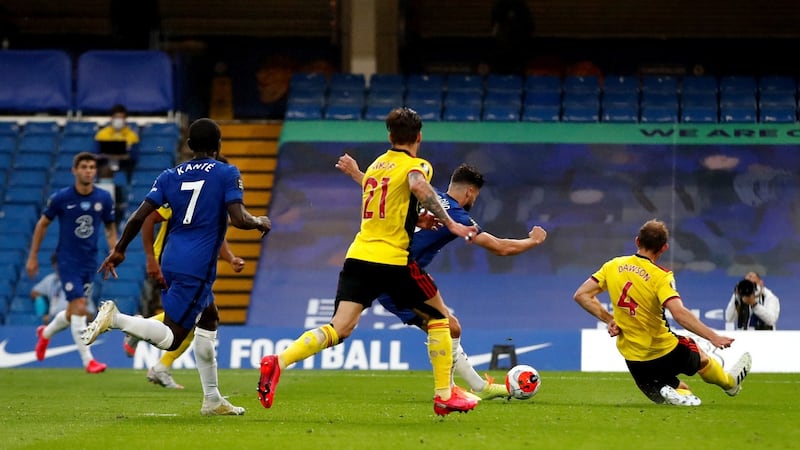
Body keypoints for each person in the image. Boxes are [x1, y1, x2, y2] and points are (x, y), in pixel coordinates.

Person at [257, 107, 480, 416]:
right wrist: (450, 223)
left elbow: (391, 199)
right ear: (419, 136)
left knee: (340, 327)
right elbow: (416, 185)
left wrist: (419, 218)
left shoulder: (377, 165)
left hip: (359, 256)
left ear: (390, 136)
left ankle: (278, 362)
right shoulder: (418, 165)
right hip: (392, 260)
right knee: (441, 321)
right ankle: (444, 394)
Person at [83, 118, 271, 416]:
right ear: (218, 144)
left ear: (189, 145)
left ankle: (212, 399)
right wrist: (261, 222)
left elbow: (138, 216)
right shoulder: (226, 172)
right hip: (196, 265)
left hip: (171, 258)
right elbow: (238, 218)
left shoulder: (170, 175)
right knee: (171, 339)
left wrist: (119, 250)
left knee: (209, 318)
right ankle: (117, 319)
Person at [336, 153, 548, 400]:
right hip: (395, 276)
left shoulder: (427, 195)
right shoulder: (456, 215)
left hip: (386, 267)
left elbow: (384, 192)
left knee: (451, 327)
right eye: (475, 196)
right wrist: (533, 241)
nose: (473, 200)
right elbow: (501, 247)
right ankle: (451, 392)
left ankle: (476, 388)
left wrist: (355, 173)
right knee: (445, 327)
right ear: (470, 192)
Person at [572, 219, 752, 406]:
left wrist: (610, 319)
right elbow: (679, 313)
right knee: (701, 356)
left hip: (635, 360)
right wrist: (713, 337)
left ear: (637, 241)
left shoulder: (613, 265)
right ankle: (730, 384)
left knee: (675, 390)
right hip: (665, 349)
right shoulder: (661, 276)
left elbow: (581, 295)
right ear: (664, 248)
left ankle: (674, 392)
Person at [124, 201, 246, 390]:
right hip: (174, 265)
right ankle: (136, 327)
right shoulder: (181, 196)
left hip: (192, 266)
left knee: (198, 319)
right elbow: (149, 217)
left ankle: (159, 364)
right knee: (195, 316)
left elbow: (215, 234)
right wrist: (151, 258)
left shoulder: (209, 200)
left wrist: (230, 258)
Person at [26, 151, 117, 374]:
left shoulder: (103, 198)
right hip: (67, 261)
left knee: (71, 312)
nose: (88, 171)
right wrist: (33, 256)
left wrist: (114, 251)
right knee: (79, 307)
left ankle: (44, 334)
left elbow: (109, 227)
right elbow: (42, 225)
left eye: (92, 167)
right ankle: (89, 361)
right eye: (84, 167)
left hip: (89, 261)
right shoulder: (61, 198)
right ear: (74, 171)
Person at [31, 253, 98, 324]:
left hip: (73, 322)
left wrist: (76, 314)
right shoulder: (51, 280)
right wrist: (41, 304)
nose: (59, 266)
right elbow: (34, 292)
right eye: (56, 263)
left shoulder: (81, 282)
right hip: (53, 321)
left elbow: (91, 315)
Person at [94, 103, 140, 178]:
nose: (118, 120)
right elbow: (96, 154)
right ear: (111, 118)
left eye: (121, 117)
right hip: (105, 167)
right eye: (116, 117)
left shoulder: (132, 136)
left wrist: (123, 156)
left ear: (125, 119)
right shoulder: (101, 134)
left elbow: (134, 156)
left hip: (124, 167)